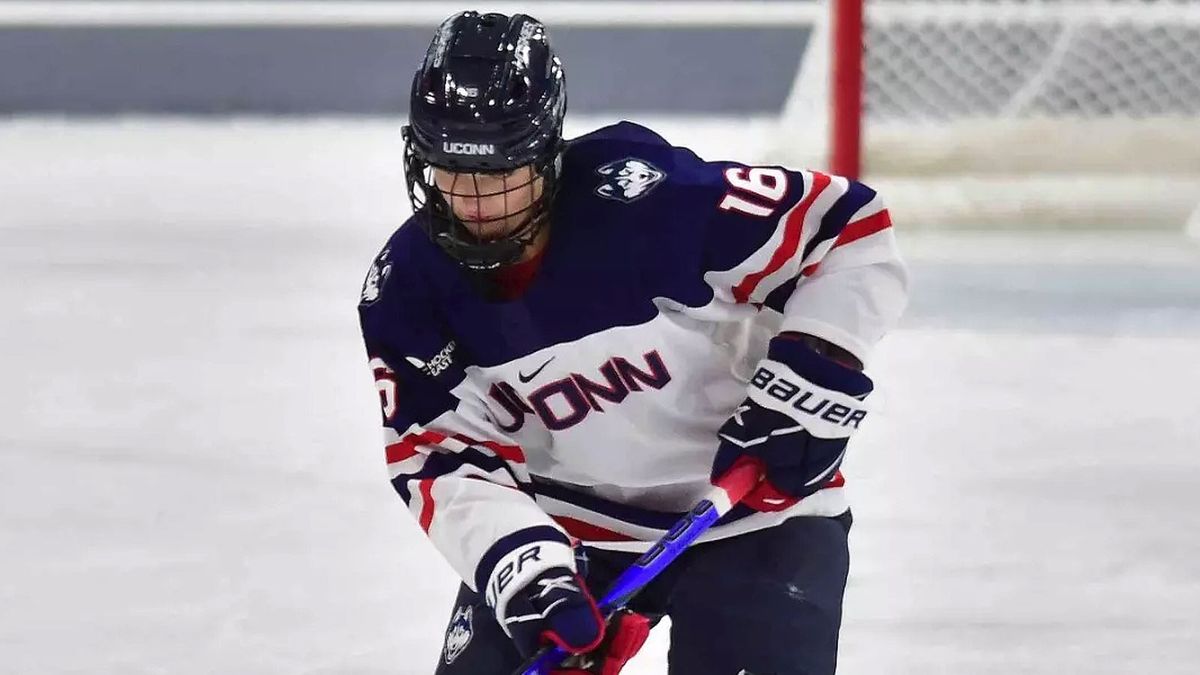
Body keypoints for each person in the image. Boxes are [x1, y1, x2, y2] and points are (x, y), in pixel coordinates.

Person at [358, 11, 908, 675]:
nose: (473, 201)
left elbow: (846, 228)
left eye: (500, 172)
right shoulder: (408, 290)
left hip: (754, 514)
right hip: (566, 525)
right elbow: (441, 460)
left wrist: (817, 369)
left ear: (546, 158)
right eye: (450, 169)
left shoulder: (650, 204)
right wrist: (530, 575)